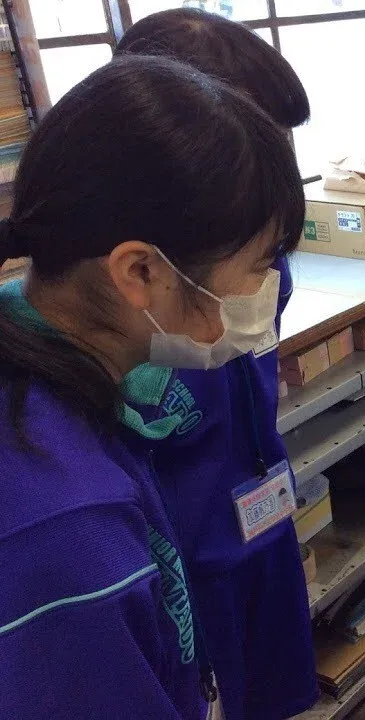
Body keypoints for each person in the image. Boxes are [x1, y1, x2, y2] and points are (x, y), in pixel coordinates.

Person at [0, 55, 304, 719]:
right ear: (140, 271)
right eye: (259, 265)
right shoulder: (70, 535)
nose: (269, 287)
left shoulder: (64, 386)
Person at [115, 9, 319, 720]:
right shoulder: (135, 309)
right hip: (189, 558)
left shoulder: (261, 259)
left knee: (278, 692)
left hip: (265, 513)